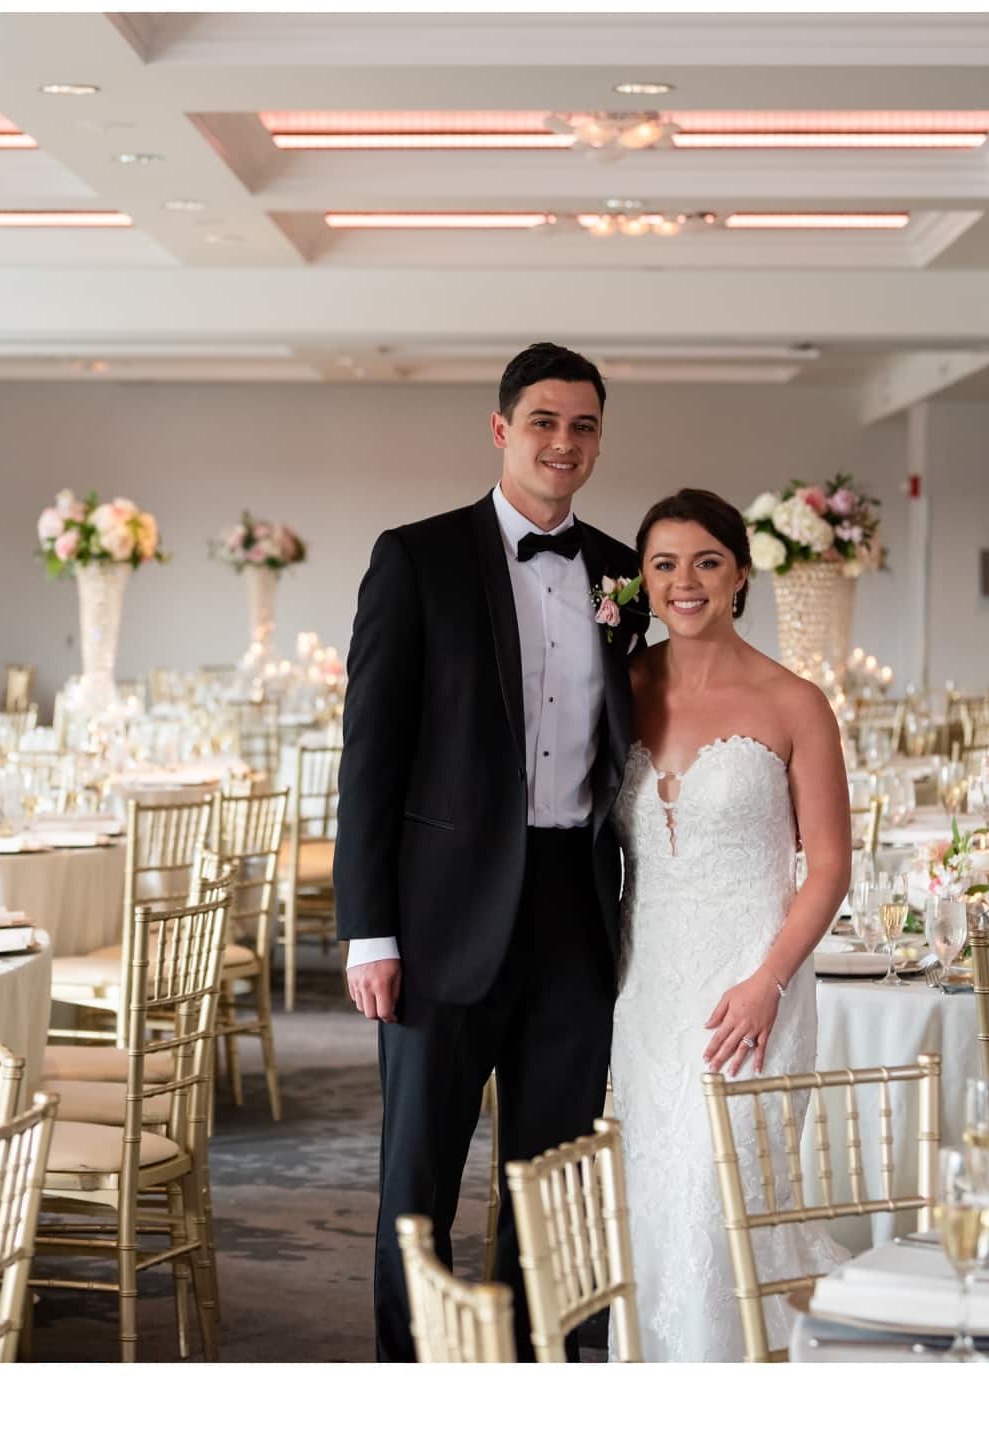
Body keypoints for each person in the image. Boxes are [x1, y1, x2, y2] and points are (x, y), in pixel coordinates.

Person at [337, 342, 640, 1362]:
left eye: (584, 425)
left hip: (573, 909)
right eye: (544, 421)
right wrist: (367, 931)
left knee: (548, 1176)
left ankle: (534, 1375)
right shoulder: (414, 557)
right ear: (501, 428)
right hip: (435, 918)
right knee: (416, 1181)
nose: (564, 442)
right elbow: (369, 760)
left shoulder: (621, 573)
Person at [610, 488, 854, 1360]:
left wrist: (768, 982)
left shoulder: (796, 703)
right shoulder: (621, 692)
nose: (685, 581)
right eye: (664, 564)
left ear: (740, 574)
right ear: (642, 580)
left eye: (707, 561)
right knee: (659, 1199)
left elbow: (828, 867)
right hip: (646, 991)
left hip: (754, 986)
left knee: (725, 1204)